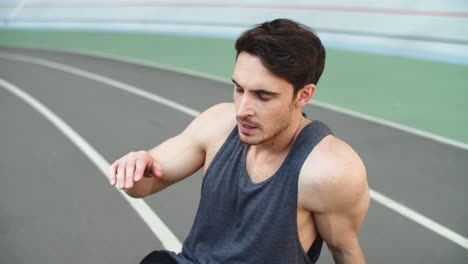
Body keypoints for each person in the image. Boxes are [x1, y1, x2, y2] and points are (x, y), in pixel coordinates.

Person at [108, 18, 369, 264]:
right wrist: (135, 169)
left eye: (263, 96)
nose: (242, 109)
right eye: (239, 89)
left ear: (303, 95)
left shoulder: (330, 169)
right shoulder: (218, 125)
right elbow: (144, 186)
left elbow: (345, 252)